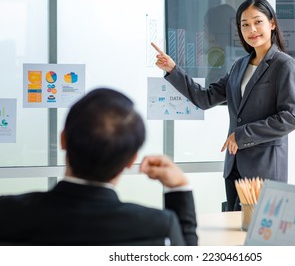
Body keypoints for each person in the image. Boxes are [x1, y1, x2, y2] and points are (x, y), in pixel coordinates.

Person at [152, 0, 295, 211]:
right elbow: (204, 99)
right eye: (245, 24)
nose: (252, 29)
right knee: (234, 233)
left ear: (272, 23)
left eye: (258, 22)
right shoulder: (240, 65)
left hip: (265, 169)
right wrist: (173, 69)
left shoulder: (284, 65)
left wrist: (241, 135)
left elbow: (291, 117)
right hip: (234, 167)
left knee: (259, 235)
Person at [0, 88, 197, 246]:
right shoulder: (157, 227)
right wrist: (179, 188)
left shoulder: (8, 213)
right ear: (131, 160)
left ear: (63, 140)